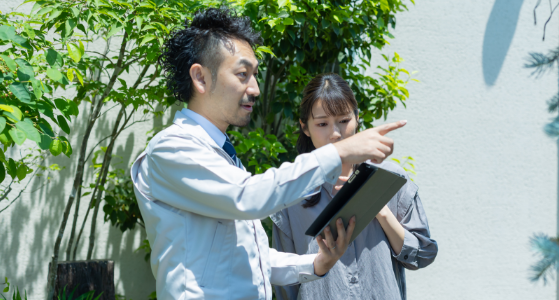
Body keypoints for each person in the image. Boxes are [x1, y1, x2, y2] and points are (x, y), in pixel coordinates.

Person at [129, 8, 407, 300]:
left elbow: (253, 257)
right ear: (200, 78)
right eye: (242, 74)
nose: (256, 89)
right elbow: (249, 198)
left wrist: (315, 263)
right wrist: (338, 152)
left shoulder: (219, 155)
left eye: (255, 75)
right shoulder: (171, 148)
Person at [271, 73, 438, 300]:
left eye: (344, 120)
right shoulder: (290, 194)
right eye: (322, 124)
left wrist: (380, 207)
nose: (335, 134)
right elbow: (285, 284)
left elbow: (423, 254)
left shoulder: (391, 179)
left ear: (357, 118)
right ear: (305, 127)